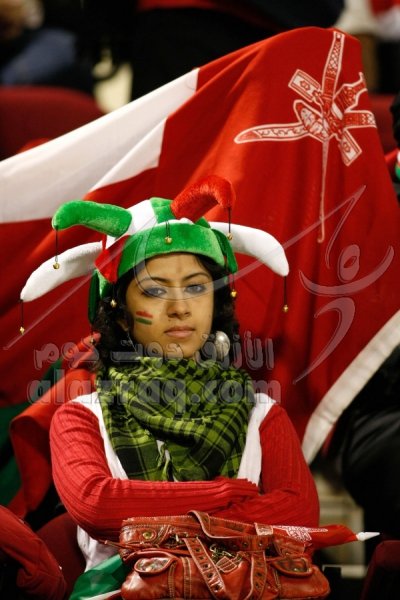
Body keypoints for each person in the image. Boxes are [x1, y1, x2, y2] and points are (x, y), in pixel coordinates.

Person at [21, 175, 319, 590]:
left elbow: (299, 516)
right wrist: (228, 495)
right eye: (155, 291)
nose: (180, 308)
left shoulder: (264, 414)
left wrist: (154, 514)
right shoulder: (78, 417)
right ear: (121, 315)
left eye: (196, 288)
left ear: (215, 303)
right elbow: (98, 506)